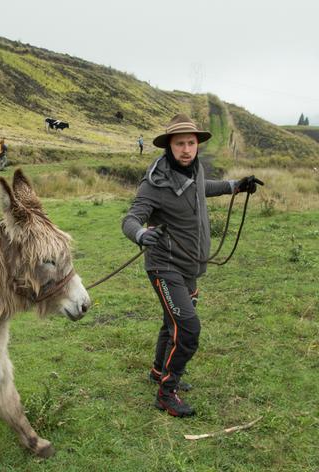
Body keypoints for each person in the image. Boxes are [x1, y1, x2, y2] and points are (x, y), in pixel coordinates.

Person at [121, 114, 261, 417]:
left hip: (191, 266)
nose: (186, 149)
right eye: (180, 143)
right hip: (164, 265)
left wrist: (236, 185)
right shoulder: (155, 183)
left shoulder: (194, 170)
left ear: (197, 145)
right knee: (188, 329)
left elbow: (202, 187)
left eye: (191, 143)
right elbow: (131, 218)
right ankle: (166, 393)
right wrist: (141, 233)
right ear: (169, 147)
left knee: (172, 322)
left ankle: (159, 371)